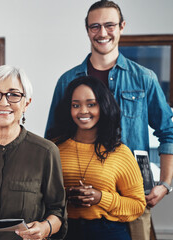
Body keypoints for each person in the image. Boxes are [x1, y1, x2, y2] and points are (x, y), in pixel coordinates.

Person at [45, 1, 173, 239]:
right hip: (75, 203)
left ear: (122, 26)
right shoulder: (67, 81)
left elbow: (168, 130)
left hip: (133, 195)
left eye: (109, 25)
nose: (102, 33)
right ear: (87, 30)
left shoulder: (144, 78)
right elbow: (51, 140)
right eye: (95, 26)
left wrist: (165, 184)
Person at [0, 65, 67, 240]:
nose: (3, 102)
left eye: (14, 94)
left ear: (26, 103)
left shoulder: (46, 151)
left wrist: (45, 228)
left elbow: (58, 211)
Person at [52, 76, 146, 239]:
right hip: (64, 231)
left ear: (103, 106)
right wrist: (64, 196)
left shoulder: (121, 152)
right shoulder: (53, 148)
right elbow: (38, 196)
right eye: (76, 105)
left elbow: (137, 205)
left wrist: (101, 198)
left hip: (108, 231)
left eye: (91, 104)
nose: (83, 111)